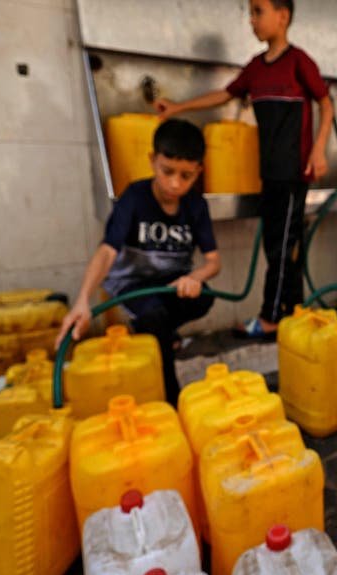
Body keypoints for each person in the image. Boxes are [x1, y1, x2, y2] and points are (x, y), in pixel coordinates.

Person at [156, 0, 333, 338]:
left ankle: (270, 317)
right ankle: (294, 311)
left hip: (294, 170)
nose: (252, 19)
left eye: (258, 11)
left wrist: (319, 149)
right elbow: (224, 95)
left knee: (281, 245)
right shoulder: (256, 67)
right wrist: (179, 107)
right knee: (278, 244)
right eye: (250, 12)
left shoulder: (299, 62)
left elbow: (326, 103)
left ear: (282, 17)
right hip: (269, 172)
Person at [56, 119, 220, 406]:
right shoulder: (134, 197)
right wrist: (83, 299)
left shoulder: (196, 205)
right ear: (152, 160)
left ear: (198, 173)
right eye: (166, 171)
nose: (174, 184)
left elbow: (213, 262)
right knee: (155, 320)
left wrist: (195, 277)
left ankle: (157, 332)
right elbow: (107, 251)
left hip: (170, 283)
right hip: (133, 284)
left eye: (186, 176)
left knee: (203, 298)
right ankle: (171, 400)